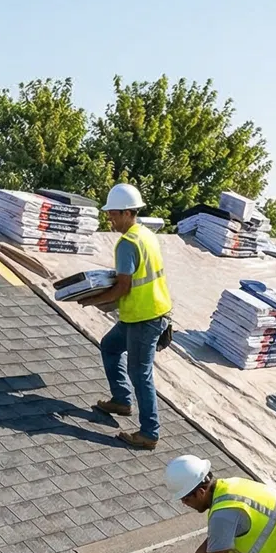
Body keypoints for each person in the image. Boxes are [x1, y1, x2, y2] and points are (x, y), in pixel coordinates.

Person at [74, 183, 170, 449]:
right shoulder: (146, 235)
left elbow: (123, 287)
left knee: (140, 373)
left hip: (144, 317)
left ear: (129, 213)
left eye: (114, 213)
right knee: (110, 346)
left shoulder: (127, 243)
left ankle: (149, 433)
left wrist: (91, 299)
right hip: (145, 312)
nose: (110, 218)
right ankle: (121, 400)